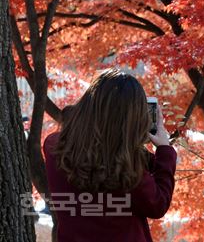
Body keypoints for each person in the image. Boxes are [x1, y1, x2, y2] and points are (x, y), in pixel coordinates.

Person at [43, 68, 177, 242]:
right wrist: (164, 150)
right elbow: (157, 204)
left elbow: (96, 153)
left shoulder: (55, 147)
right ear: (130, 119)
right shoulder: (124, 165)